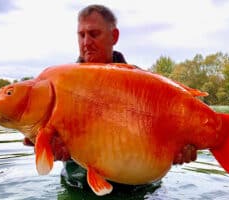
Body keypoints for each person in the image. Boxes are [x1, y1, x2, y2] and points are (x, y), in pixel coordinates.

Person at [24, 4, 197, 189]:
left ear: (114, 36)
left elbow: (171, 134)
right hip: (78, 186)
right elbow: (34, 136)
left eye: (94, 34)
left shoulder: (144, 85)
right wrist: (45, 145)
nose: (86, 42)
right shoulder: (58, 86)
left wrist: (181, 149)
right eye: (81, 35)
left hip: (137, 189)